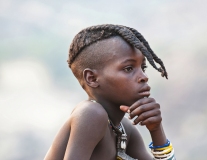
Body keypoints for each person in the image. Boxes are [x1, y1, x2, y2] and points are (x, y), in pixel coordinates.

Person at [44, 24, 176, 160]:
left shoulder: (124, 130)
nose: (144, 76)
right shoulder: (91, 114)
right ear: (92, 78)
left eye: (143, 67)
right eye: (129, 68)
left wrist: (156, 130)